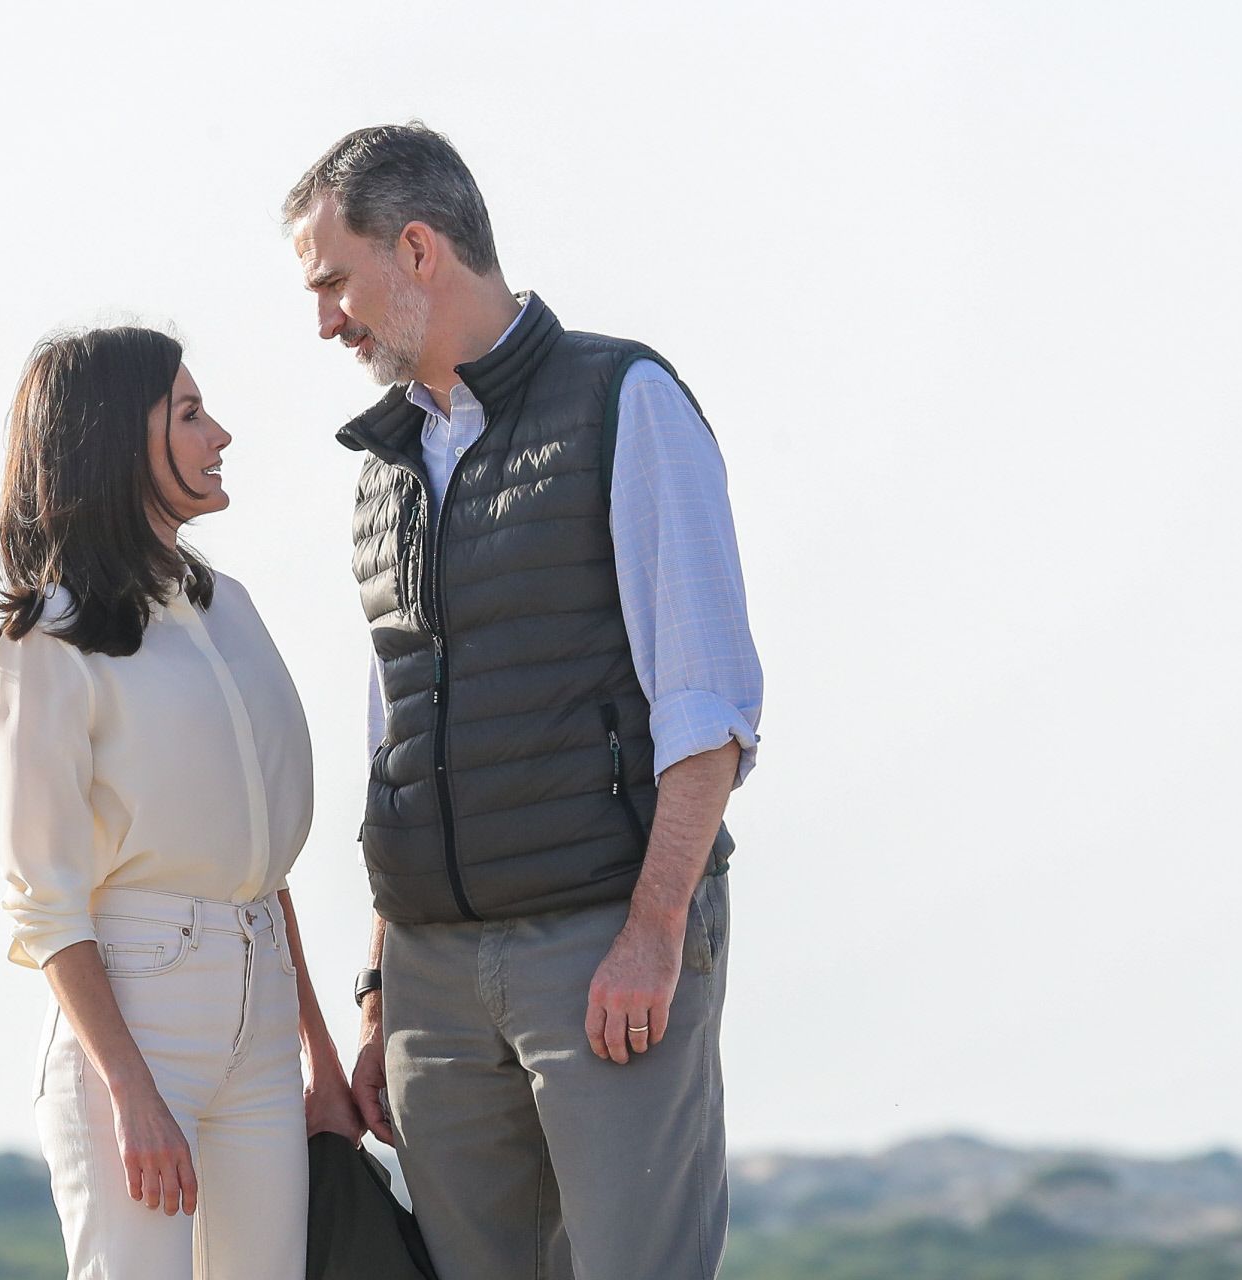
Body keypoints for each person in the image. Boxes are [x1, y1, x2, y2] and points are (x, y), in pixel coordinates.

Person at [282, 124, 764, 1279]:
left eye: (334, 281)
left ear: (416, 247)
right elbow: (394, 750)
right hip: (434, 983)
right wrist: (377, 992)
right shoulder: (385, 470)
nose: (325, 321)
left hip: (603, 943)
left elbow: (711, 706)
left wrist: (652, 934)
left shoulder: (624, 398)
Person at [0, 327, 360, 1279]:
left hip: (262, 1013)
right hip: (137, 1016)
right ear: (114, 441)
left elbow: (260, 865)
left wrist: (316, 1050)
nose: (219, 433)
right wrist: (130, 1089)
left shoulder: (229, 607)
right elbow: (44, 898)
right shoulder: (48, 639)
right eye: (189, 415)